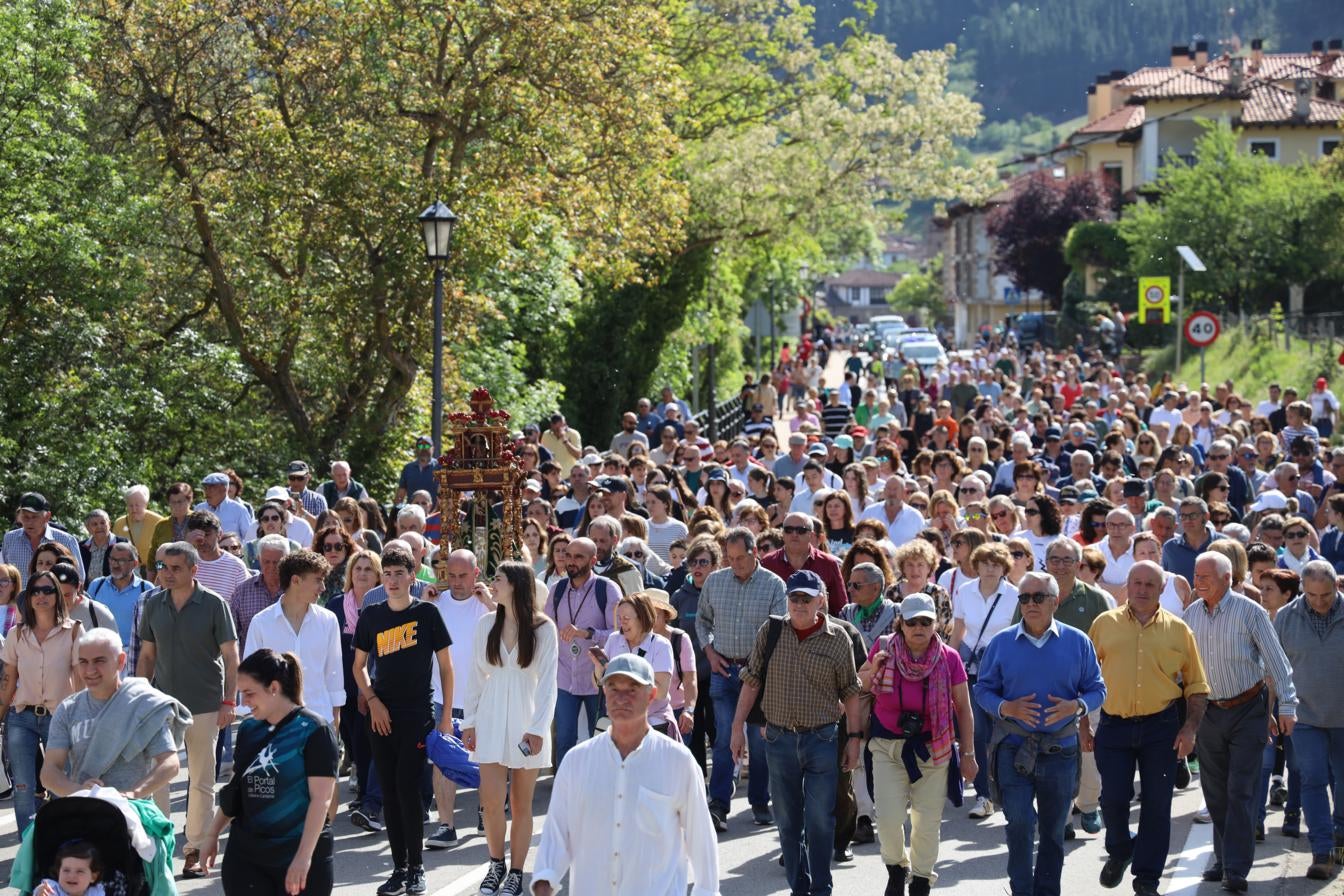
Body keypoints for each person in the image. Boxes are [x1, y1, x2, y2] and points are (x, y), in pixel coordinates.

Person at [531, 653, 719, 896]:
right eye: (613, 688)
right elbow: (557, 831)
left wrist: (706, 891)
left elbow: (700, 838)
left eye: (632, 689)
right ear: (604, 692)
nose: (621, 698)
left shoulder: (678, 762)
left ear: (651, 695)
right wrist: (545, 879)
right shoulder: (577, 762)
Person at [974, 570, 1106, 896]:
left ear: (1054, 601)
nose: (1030, 604)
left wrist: (1076, 706)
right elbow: (983, 690)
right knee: (1018, 821)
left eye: (1038, 597)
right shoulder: (1002, 643)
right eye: (1024, 598)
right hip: (1012, 747)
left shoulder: (1078, 641)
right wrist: (1007, 708)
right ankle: (1021, 889)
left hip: (1060, 750)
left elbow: (1097, 689)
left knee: (1052, 830)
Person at [730, 569, 862, 896]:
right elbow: (751, 680)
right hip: (779, 739)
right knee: (788, 823)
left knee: (819, 819)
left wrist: (855, 740)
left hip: (822, 738)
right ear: (786, 599)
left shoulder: (839, 638)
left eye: (807, 598)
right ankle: (798, 888)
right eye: (794, 598)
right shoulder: (771, 631)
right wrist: (736, 728)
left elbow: (850, 691)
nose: (800, 604)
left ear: (821, 600)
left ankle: (821, 889)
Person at [1086, 561, 1210, 896]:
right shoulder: (1104, 624)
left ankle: (1146, 880)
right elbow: (1083, 679)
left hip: (1161, 727)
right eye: (1136, 583)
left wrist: (1190, 729)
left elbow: (1196, 685)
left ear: (1161, 590)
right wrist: (1084, 724)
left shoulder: (1179, 630)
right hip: (1113, 726)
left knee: (1157, 805)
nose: (1141, 590)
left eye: (1149, 585)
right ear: (1127, 585)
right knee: (1112, 800)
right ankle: (1121, 849)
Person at [1184, 551, 1298, 893]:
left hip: (1249, 710)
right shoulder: (1191, 615)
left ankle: (1235, 867)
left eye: (1205, 576)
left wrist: (1287, 705)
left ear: (1226, 578)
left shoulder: (1251, 612)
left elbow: (1277, 661)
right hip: (1208, 712)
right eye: (1196, 575)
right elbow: (1184, 670)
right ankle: (1222, 859)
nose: (1198, 581)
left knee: (1241, 791)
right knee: (1215, 793)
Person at [351, 544, 455, 896]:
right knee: (391, 793)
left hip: (417, 716)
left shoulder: (427, 614)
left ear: (413, 576)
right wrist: (373, 701)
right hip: (381, 715)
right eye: (388, 574)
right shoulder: (372, 616)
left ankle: (417, 867)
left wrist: (444, 720)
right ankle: (399, 869)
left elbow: (446, 668)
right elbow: (358, 667)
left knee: (408, 789)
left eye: (400, 574)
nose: (393, 580)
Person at [859, 594, 977, 896]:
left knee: (926, 821)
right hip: (887, 746)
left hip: (932, 747)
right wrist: (874, 667)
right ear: (901, 624)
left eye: (926, 621)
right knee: (888, 817)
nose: (919, 627)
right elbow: (860, 685)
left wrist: (968, 754)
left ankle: (922, 878)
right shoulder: (884, 648)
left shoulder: (949, 657)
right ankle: (896, 867)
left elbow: (963, 707)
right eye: (912, 622)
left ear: (935, 623)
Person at [136, 540, 240, 877]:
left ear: (194, 570)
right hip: (161, 706)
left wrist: (228, 701)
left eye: (176, 568)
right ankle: (160, 849)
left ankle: (195, 849)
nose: (167, 573)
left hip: (206, 705)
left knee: (201, 780)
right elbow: (147, 656)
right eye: (164, 567)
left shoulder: (214, 604)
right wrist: (138, 697)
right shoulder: (153, 603)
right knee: (158, 780)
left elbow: (231, 656)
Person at [200, 649, 339, 896]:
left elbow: (321, 800)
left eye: (250, 693)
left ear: (274, 688)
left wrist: (303, 858)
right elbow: (237, 789)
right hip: (247, 856)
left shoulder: (314, 730)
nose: (245, 702)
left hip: (298, 854)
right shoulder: (249, 729)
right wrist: (212, 834)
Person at [462, 561, 558, 896]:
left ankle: (516, 872)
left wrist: (537, 729)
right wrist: (469, 721)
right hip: (489, 719)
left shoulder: (544, 628)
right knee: (490, 801)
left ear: (516, 584)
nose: (493, 584)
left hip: (526, 722)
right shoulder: (486, 623)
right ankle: (495, 864)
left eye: (498, 579)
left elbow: (548, 685)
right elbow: (474, 676)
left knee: (520, 804)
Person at [696, 527, 786, 832]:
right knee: (724, 738)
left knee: (760, 743)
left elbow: (779, 631)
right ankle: (719, 802)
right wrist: (709, 651)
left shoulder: (774, 585)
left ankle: (760, 800)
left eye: (740, 558)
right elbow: (702, 620)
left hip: (760, 675)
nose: (735, 564)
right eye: (729, 558)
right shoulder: (715, 581)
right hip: (724, 671)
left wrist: (763, 668)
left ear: (755, 552)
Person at [42, 628, 186, 803]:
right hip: (84, 808)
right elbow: (49, 772)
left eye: (99, 661)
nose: (90, 670)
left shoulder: (142, 705)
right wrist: (79, 791)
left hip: (133, 810)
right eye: (83, 662)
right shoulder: (67, 709)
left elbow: (170, 763)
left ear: (121, 661)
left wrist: (133, 794)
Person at [1270, 559, 1344, 881]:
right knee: (1313, 779)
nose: (1319, 602)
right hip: (1306, 717)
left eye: (1325, 595)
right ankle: (1322, 850)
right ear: (1303, 590)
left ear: (1336, 587)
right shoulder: (1286, 618)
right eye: (1312, 596)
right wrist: (1268, 713)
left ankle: (1341, 838)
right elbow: (1272, 671)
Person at [421, 549, 496, 848]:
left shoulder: (486, 605)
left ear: (475, 574)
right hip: (443, 697)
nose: (456, 582)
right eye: (451, 576)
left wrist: (490, 602)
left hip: (482, 697)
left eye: (463, 575)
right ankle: (446, 825)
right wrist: (424, 604)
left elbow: (512, 632)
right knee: (444, 761)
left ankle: (484, 813)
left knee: (486, 761)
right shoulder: (435, 604)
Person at [0, 569, 83, 833]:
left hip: (61, 718)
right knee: (24, 789)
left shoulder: (74, 632)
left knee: (61, 787)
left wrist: (85, 721)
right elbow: (8, 679)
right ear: (29, 596)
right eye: (35, 590)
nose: (41, 596)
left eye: (48, 590)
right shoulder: (17, 634)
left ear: (58, 595)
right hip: (21, 717)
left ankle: (62, 847)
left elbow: (81, 682)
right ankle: (29, 851)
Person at [949, 541, 1018, 819]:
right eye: (985, 563)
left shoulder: (1014, 594)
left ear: (1004, 568)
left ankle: (1010, 789)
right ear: (975, 565)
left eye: (996, 564)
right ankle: (983, 795)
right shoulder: (964, 591)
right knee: (977, 732)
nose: (990, 569)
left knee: (1008, 729)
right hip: (973, 668)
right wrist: (948, 664)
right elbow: (958, 630)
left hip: (1006, 669)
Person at [542, 537, 621, 770]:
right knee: (564, 738)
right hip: (564, 677)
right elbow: (547, 629)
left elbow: (618, 634)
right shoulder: (556, 590)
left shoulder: (607, 589)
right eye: (568, 555)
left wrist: (588, 634)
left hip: (598, 678)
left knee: (602, 736)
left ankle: (603, 787)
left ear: (593, 560)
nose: (571, 561)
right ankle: (564, 791)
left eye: (578, 557)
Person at [591, 592, 676, 736]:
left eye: (626, 618)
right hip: (618, 722)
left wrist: (626, 678)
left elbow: (661, 692)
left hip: (653, 724)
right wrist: (599, 670)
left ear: (642, 618)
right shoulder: (614, 640)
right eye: (619, 618)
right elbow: (597, 685)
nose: (622, 623)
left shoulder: (661, 645)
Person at [761, 512, 847, 615]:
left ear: (811, 535)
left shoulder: (828, 563)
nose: (794, 534)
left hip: (818, 629)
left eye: (801, 530)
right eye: (789, 530)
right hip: (777, 629)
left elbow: (840, 609)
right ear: (783, 534)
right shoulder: (767, 563)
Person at [4, 492, 84, 587]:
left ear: (47, 517)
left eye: (34, 517)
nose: (29, 522)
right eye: (25, 517)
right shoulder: (9, 538)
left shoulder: (66, 540)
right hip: (19, 600)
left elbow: (79, 578)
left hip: (55, 600)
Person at [196, 472, 255, 544]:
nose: (207, 492)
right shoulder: (199, 509)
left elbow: (250, 539)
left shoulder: (239, 510)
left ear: (224, 489)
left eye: (211, 488)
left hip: (232, 554)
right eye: (205, 488)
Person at [34, 840, 105, 896]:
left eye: (80, 871)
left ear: (93, 877)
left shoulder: (95, 892)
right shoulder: (52, 889)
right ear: (58, 872)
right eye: (66, 870)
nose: (71, 876)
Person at [77, 510, 127, 585]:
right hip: (88, 594)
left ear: (109, 524)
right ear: (88, 528)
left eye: (102, 523)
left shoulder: (121, 543)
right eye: (94, 524)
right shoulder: (81, 547)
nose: (99, 527)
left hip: (117, 592)